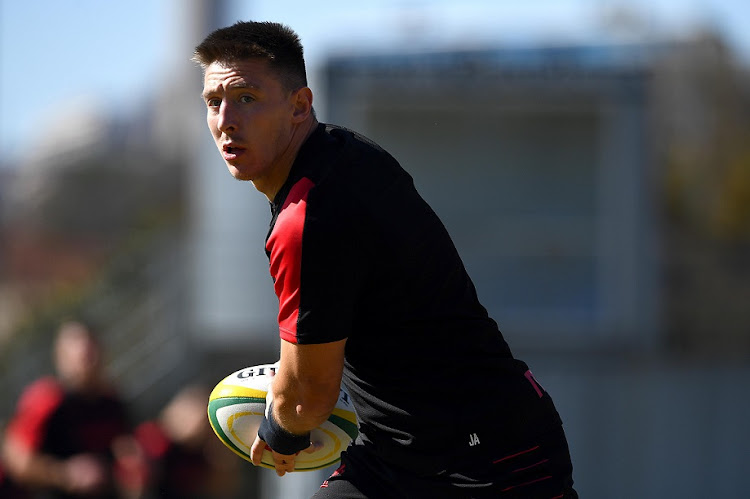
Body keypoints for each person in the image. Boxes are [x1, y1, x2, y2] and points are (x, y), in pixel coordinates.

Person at [192, 21, 577, 498]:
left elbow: (307, 398)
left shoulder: (307, 217)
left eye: (246, 97)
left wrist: (279, 433)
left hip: (487, 454)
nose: (226, 119)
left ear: (299, 106)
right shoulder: (343, 150)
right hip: (393, 454)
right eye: (214, 102)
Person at [1, 320, 140, 498]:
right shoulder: (47, 400)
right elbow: (16, 459)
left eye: (92, 351)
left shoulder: (112, 402)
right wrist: (64, 474)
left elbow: (125, 449)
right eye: (82, 356)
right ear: (61, 358)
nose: (90, 360)